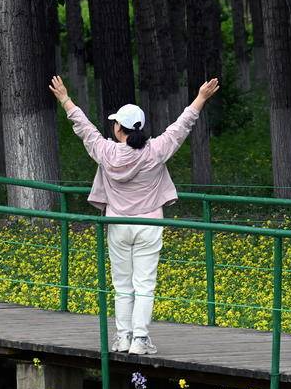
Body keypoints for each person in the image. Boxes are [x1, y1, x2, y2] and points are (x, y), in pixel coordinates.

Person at [50, 75, 220, 355]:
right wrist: (200, 98)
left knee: (122, 285)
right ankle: (140, 339)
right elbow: (181, 127)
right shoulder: (156, 151)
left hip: (117, 224)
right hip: (149, 223)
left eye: (115, 123)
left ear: (119, 129)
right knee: (145, 284)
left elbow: (85, 129)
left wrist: (65, 99)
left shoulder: (106, 152)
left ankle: (122, 337)